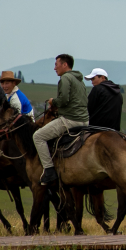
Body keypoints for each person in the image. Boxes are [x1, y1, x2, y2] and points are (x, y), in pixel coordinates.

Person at [34, 53, 88, 188]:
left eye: (56, 65)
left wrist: (53, 101)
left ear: (65, 65)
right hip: (85, 121)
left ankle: (49, 170)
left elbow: (63, 100)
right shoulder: (79, 80)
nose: (54, 68)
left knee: (38, 136)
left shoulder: (65, 78)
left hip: (70, 120)